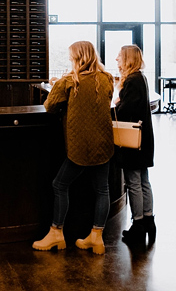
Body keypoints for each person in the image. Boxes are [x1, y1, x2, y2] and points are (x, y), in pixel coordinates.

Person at [33, 40, 114, 255]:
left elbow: (49, 106)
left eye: (71, 56)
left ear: (77, 58)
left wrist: (58, 85)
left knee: (59, 185)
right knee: (102, 189)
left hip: (79, 145)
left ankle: (56, 233)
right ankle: (96, 237)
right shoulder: (106, 79)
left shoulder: (69, 81)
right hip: (103, 143)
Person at [114, 44, 156, 246]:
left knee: (133, 182)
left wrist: (117, 103)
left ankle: (138, 224)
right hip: (144, 139)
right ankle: (149, 220)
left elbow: (124, 111)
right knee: (144, 181)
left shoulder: (131, 81)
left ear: (128, 59)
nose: (116, 60)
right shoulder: (141, 78)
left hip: (133, 141)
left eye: (120, 56)